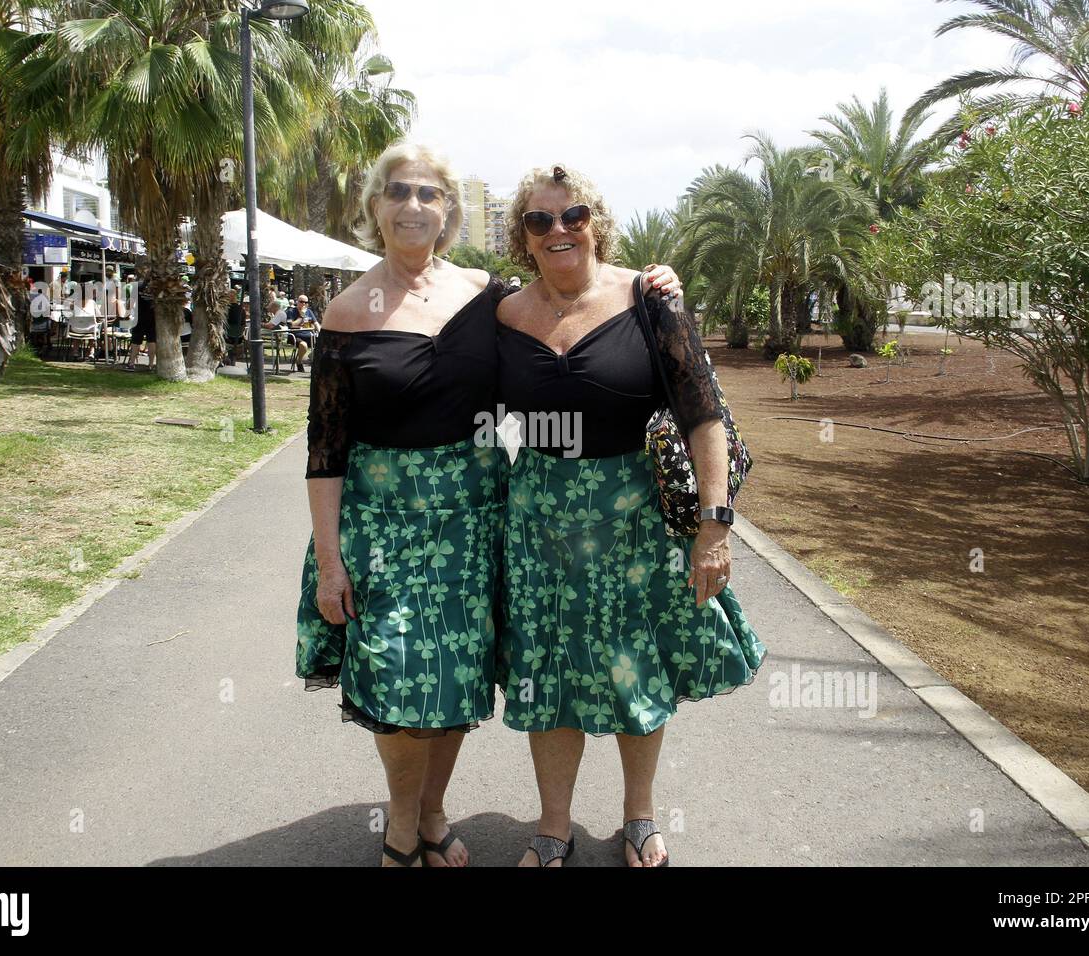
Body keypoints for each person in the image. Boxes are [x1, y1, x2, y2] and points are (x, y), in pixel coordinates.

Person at [296, 141, 683, 867]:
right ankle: (403, 827)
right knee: (400, 670)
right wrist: (328, 560)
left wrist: (653, 280)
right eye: (399, 192)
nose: (414, 206)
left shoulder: (485, 295)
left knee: (456, 674)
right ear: (375, 207)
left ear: (448, 211)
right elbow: (324, 452)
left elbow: (571, 291)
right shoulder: (345, 315)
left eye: (430, 194)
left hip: (478, 518)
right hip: (384, 524)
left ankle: (435, 815)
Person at [494, 164, 767, 867]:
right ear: (521, 237)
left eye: (572, 214)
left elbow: (702, 413)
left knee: (632, 669)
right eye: (539, 220)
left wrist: (715, 526)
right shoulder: (501, 313)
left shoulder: (649, 299)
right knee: (550, 676)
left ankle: (639, 817)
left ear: (596, 222)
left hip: (635, 520)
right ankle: (553, 828)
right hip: (538, 522)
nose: (558, 230)